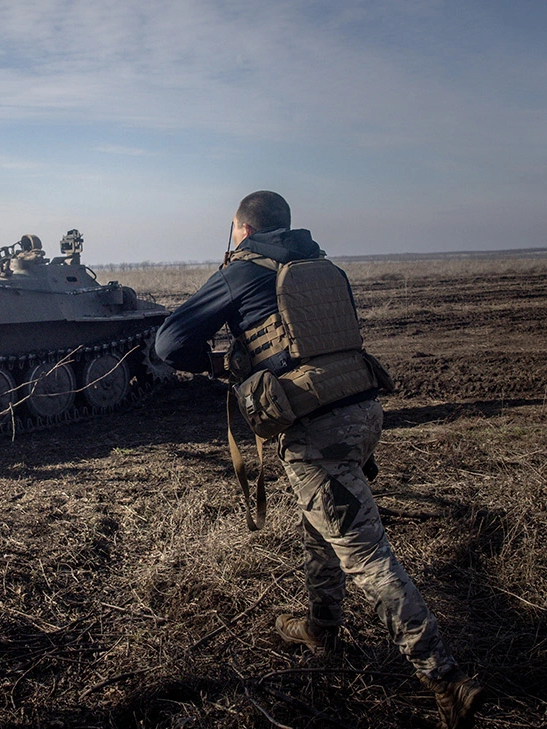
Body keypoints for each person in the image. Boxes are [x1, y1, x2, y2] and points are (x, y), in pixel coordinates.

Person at [153, 191, 482, 729]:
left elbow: (168, 343)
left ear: (241, 229)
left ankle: (447, 680)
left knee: (366, 555)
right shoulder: (322, 265)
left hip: (317, 430)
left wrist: (217, 362)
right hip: (364, 411)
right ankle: (322, 628)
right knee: (320, 524)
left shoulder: (244, 270)